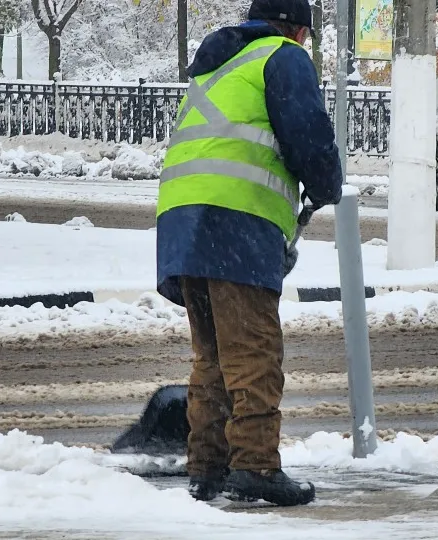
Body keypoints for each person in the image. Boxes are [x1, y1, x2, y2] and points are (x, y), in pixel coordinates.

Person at [154, 0, 343, 507]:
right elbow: (307, 133)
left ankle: (208, 467)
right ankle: (256, 467)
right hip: (233, 218)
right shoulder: (281, 56)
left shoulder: (218, 67)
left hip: (183, 220)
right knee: (254, 351)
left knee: (212, 356)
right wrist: (327, 182)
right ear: (297, 29)